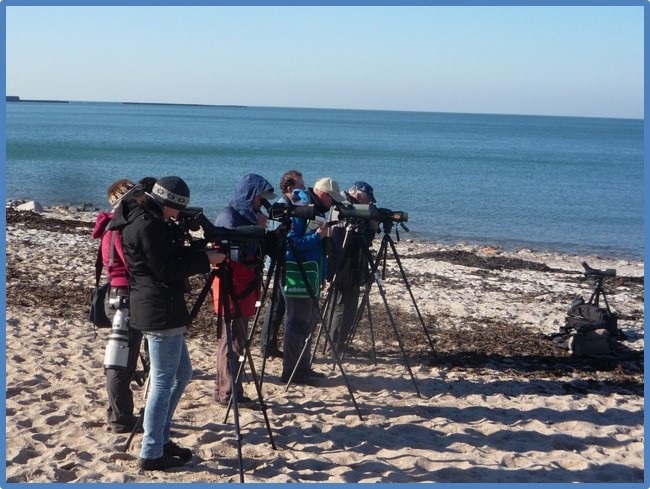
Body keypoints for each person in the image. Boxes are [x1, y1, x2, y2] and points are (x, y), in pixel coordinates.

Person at [110, 176, 225, 471]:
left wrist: (201, 252)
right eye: (177, 209)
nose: (178, 216)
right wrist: (206, 261)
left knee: (182, 372)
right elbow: (165, 269)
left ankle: (159, 437)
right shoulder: (148, 225)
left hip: (158, 307)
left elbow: (167, 257)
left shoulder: (148, 218)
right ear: (169, 203)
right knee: (162, 380)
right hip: (158, 308)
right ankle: (151, 450)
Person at [211, 173, 279, 407]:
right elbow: (238, 254)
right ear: (250, 195)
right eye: (259, 198)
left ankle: (229, 389)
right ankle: (228, 393)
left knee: (236, 340)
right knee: (232, 341)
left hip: (244, 287)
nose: (262, 203)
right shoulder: (229, 217)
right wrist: (257, 229)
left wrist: (268, 234)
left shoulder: (242, 215)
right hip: (232, 287)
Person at [91, 179, 143, 434]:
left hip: (115, 293)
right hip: (125, 296)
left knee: (120, 360)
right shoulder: (121, 227)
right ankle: (121, 418)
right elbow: (132, 262)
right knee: (121, 363)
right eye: (137, 195)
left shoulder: (109, 225)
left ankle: (117, 413)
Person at [281, 177, 344, 384]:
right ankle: (291, 371)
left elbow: (321, 251)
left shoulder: (318, 212)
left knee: (308, 321)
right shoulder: (301, 210)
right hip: (297, 273)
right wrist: (317, 236)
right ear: (323, 195)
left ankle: (303, 366)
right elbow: (291, 244)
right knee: (296, 322)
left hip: (312, 272)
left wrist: (322, 275)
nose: (333, 205)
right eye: (331, 200)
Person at [326, 181, 378, 354]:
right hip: (343, 264)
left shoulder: (346, 206)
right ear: (357, 195)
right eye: (367, 200)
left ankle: (339, 342)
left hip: (350, 263)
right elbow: (349, 240)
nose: (368, 204)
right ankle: (334, 344)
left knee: (348, 304)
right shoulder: (344, 208)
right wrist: (370, 228)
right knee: (341, 304)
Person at [260, 169, 306, 360]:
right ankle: (267, 345)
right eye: (300, 185)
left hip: (281, 259)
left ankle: (268, 345)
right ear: (288, 187)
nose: (303, 188)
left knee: (278, 304)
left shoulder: (289, 205)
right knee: (279, 305)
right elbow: (275, 235)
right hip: (279, 260)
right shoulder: (281, 206)